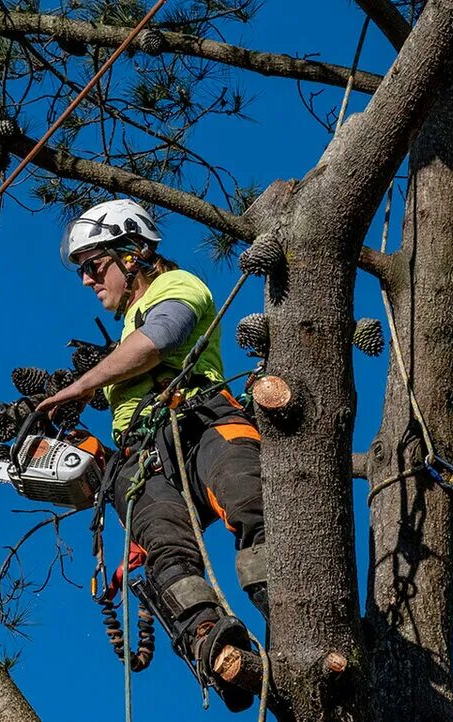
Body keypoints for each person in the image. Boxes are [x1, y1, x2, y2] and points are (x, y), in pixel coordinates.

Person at [36, 198, 268, 712]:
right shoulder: (122, 334)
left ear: (134, 252)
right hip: (144, 459)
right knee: (165, 554)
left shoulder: (177, 287)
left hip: (200, 421)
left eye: (94, 266)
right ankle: (213, 644)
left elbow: (160, 340)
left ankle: (290, 600)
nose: (87, 281)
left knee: (249, 498)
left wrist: (79, 388)